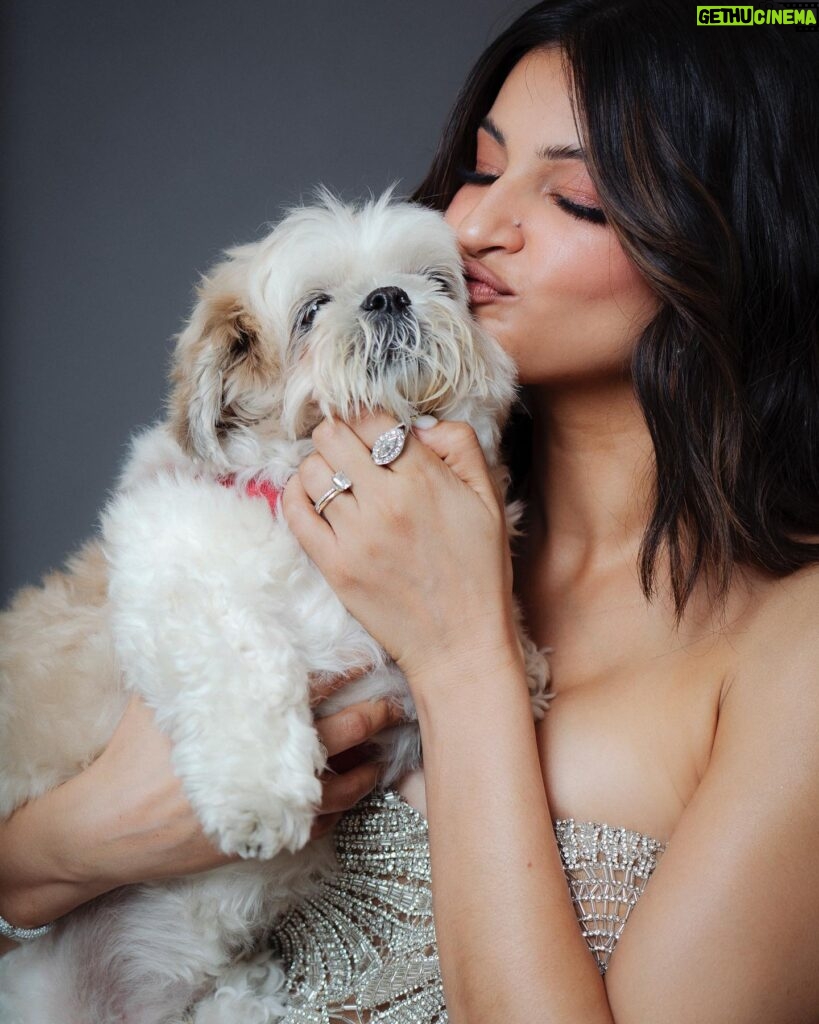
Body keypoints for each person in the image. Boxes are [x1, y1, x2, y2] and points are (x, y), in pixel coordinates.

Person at [2, 0, 818, 1020]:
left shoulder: (797, 648)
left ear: (736, 248)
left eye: (576, 199)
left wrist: (464, 656)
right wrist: (80, 838)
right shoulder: (305, 511)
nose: (472, 225)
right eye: (480, 167)